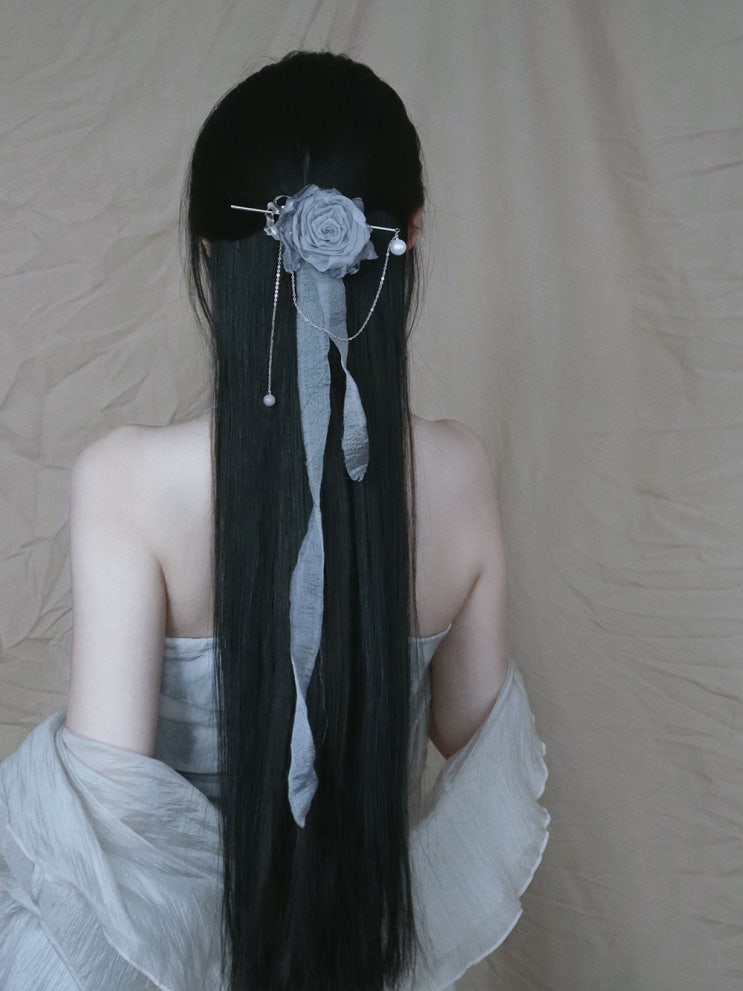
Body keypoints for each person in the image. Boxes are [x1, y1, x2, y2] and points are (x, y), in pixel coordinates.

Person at [0, 51, 548, 991]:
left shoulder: (126, 480)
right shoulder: (459, 473)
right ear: (411, 231)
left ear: (211, 249)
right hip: (347, 949)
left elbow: (114, 810)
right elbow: (470, 723)